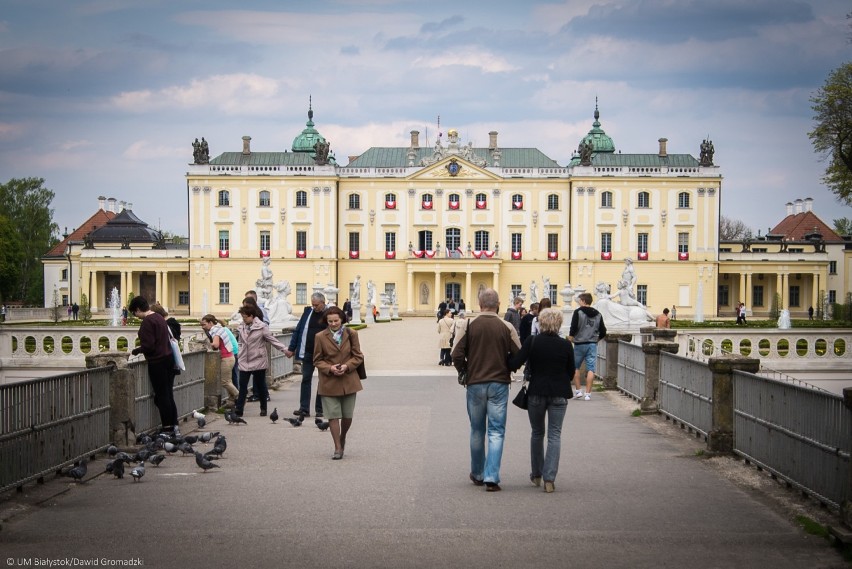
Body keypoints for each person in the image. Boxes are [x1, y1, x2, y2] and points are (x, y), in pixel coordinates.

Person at [452, 289, 521, 492]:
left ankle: (478, 473)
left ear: (479, 303)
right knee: (496, 430)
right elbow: (518, 353)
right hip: (499, 383)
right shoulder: (506, 326)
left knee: (476, 429)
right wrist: (508, 366)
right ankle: (492, 476)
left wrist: (464, 370)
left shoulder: (468, 325)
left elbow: (456, 354)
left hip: (475, 383)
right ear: (498, 304)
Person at [508, 308, 575, 493]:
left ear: (541, 323)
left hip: (536, 392)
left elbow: (515, 364)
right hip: (559, 393)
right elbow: (571, 371)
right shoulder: (565, 345)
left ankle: (537, 474)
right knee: (555, 435)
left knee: (537, 432)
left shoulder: (533, 341)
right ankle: (549, 479)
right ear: (559, 324)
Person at [313, 306, 364, 460]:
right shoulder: (320, 337)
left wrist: (347, 366)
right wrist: (330, 368)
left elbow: (358, 356)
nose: (333, 323)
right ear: (326, 321)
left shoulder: (351, 334)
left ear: (342, 319)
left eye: (336, 320)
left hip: (349, 379)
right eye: (330, 321)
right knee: (333, 415)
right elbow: (316, 360)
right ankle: (337, 447)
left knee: (347, 416)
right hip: (329, 381)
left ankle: (342, 437)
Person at [129, 296, 179, 436]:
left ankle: (167, 427)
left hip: (157, 362)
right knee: (168, 394)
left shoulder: (147, 322)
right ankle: (173, 425)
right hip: (168, 359)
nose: (135, 316)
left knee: (162, 396)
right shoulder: (158, 317)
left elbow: (149, 345)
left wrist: (138, 350)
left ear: (138, 309)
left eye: (134, 313)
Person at [235, 305, 288, 417]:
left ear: (252, 316)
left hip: (258, 359)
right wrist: (239, 353)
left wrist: (285, 349)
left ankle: (263, 408)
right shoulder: (241, 327)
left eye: (245, 317)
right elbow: (240, 342)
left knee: (260, 385)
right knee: (243, 385)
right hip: (244, 359)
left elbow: (272, 340)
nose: (243, 319)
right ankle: (239, 409)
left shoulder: (262, 327)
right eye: (242, 317)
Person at [284, 292, 328, 417]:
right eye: (313, 304)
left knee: (323, 381)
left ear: (323, 303)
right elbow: (298, 330)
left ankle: (320, 409)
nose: (314, 307)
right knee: (306, 379)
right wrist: (292, 348)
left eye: (316, 305)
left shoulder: (329, 314)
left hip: (323, 354)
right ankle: (304, 409)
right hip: (308, 352)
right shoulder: (308, 312)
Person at [568, 292, 607, 401]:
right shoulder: (598, 314)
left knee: (575, 367)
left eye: (580, 300)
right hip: (592, 344)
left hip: (579, 343)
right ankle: (588, 393)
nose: (579, 302)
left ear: (584, 301)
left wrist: (570, 338)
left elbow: (573, 327)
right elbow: (603, 331)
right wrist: (596, 340)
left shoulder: (578, 312)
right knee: (591, 368)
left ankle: (578, 390)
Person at [200, 314, 239, 408]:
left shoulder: (214, 331)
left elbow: (216, 345)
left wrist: (208, 344)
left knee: (225, 382)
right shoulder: (219, 328)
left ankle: (239, 396)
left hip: (226, 359)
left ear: (210, 323)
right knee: (229, 381)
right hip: (230, 357)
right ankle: (232, 401)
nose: (203, 327)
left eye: (204, 324)